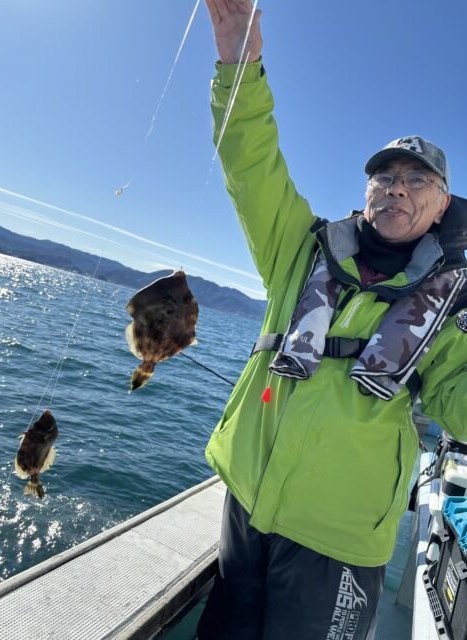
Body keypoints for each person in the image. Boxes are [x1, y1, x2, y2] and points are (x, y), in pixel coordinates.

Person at [199, 1, 467, 638]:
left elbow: (457, 400)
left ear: (442, 206)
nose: (396, 187)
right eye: (384, 176)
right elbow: (251, 165)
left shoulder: (453, 306)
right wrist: (239, 61)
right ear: (365, 191)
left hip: (339, 542)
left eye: (417, 180)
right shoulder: (300, 247)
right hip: (247, 507)